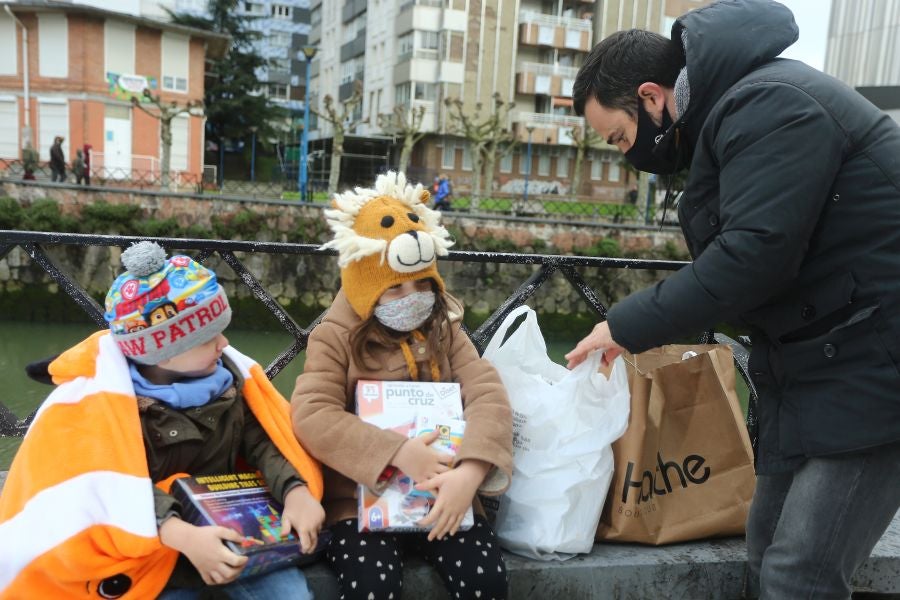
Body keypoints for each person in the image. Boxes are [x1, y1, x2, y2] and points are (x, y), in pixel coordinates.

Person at [565, 1, 900, 598]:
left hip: (874, 361)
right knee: (766, 550)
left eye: (619, 137)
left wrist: (624, 325)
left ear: (650, 96)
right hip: (820, 360)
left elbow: (753, 256)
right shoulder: (740, 107)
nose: (625, 154)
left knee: (801, 574)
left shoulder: (771, 103)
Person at [0, 241, 325, 599]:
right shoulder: (106, 406)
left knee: (291, 596)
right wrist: (183, 536)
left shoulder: (228, 379)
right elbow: (105, 487)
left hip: (235, 532)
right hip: (156, 550)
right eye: (206, 339)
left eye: (220, 329)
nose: (224, 343)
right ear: (161, 353)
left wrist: (294, 490)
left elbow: (262, 439)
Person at [291, 171, 513, 599]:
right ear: (364, 289)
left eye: (421, 286)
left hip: (444, 494)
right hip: (356, 504)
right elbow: (312, 414)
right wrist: (394, 453)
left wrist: (471, 471)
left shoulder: (445, 328)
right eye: (393, 291)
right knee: (372, 586)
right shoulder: (333, 335)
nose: (410, 298)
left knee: (486, 579)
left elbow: (488, 394)